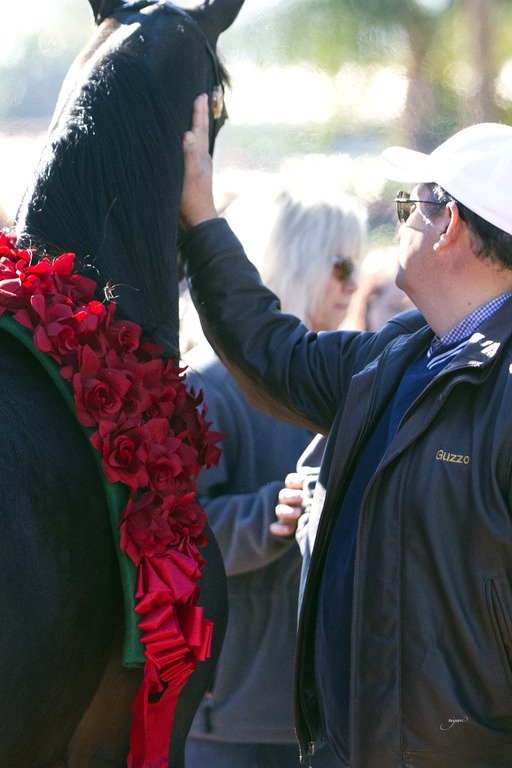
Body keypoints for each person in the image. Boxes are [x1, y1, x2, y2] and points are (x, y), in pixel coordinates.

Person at [179, 97, 512, 768]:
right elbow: (269, 351)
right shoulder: (396, 354)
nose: (397, 225)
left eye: (407, 205)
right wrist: (201, 217)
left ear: (447, 226)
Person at [184, 185, 366, 768]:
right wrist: (272, 513)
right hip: (229, 722)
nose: (354, 285)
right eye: (343, 265)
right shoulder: (207, 388)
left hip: (327, 717)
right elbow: (175, 535)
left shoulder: (355, 383)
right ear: (299, 260)